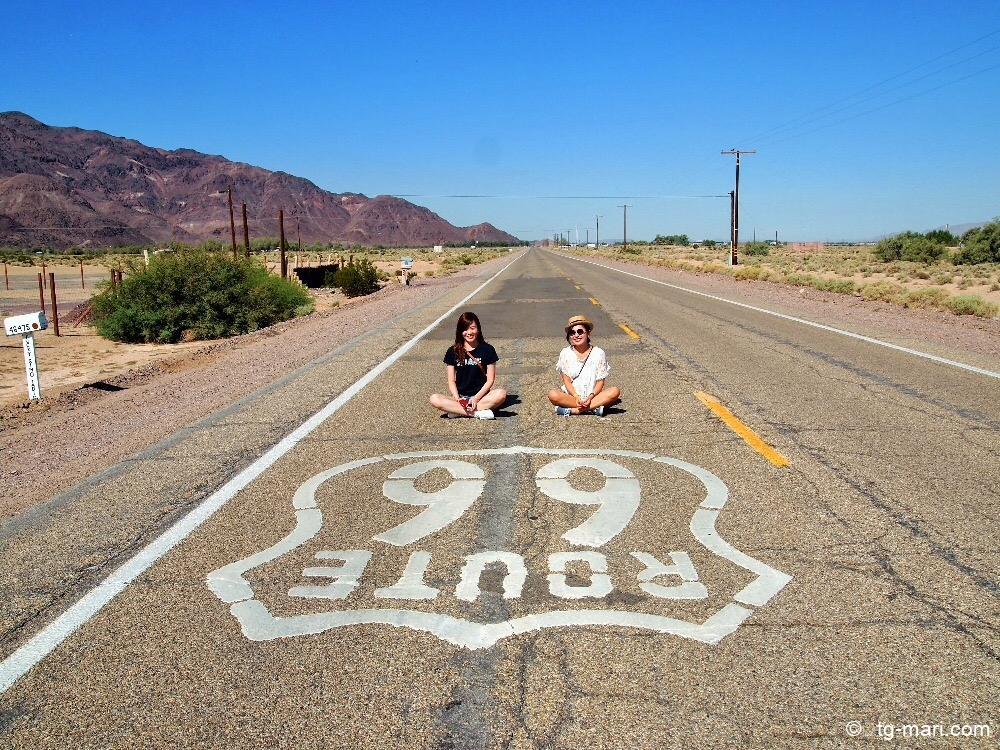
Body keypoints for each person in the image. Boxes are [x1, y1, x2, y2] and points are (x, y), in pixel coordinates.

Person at [430, 311, 507, 420]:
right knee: (434, 399)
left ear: (478, 329)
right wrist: (457, 399)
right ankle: (476, 413)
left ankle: (457, 411)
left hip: (481, 397)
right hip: (461, 398)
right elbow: (451, 380)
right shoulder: (452, 351)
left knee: (501, 394)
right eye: (465, 329)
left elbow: (490, 380)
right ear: (460, 331)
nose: (469, 332)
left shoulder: (488, 350)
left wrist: (475, 399)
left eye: (472, 328)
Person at [548, 314, 621, 416]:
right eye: (572, 333)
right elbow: (566, 381)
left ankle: (574, 411)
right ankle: (594, 408)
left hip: (593, 397)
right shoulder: (565, 353)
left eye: (580, 331)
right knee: (553, 395)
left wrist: (590, 397)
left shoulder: (599, 353)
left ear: (588, 334)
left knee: (614, 392)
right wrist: (576, 397)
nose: (576, 335)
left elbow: (600, 382)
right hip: (573, 398)